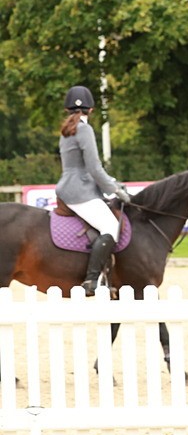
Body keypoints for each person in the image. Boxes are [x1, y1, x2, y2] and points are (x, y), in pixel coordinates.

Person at [55, 85, 131, 296]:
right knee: (111, 226)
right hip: (79, 191)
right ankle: (91, 280)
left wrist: (112, 183)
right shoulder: (84, 129)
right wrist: (116, 190)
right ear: (92, 109)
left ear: (67, 109)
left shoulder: (67, 129)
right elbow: (94, 168)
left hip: (69, 186)